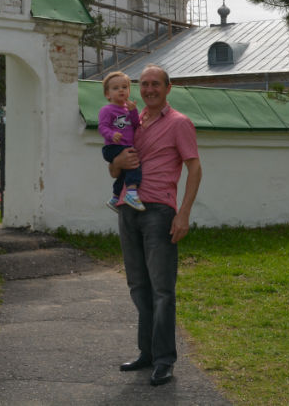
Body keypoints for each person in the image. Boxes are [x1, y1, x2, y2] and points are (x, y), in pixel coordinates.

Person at [108, 64, 201, 388]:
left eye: (155, 84)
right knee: (138, 285)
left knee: (162, 290)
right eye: (144, 84)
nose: (149, 89)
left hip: (159, 211)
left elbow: (195, 168)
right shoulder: (133, 121)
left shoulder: (179, 123)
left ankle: (164, 360)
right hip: (127, 209)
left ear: (168, 88)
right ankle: (146, 353)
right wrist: (116, 163)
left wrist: (183, 213)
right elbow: (115, 170)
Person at [98, 71, 145, 212]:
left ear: (129, 90)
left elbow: (136, 125)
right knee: (134, 163)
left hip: (124, 146)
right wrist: (112, 135)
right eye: (116, 88)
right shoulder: (107, 110)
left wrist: (133, 111)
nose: (121, 90)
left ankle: (115, 197)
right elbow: (102, 127)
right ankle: (131, 193)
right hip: (113, 147)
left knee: (124, 174)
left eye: (124, 87)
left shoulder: (128, 109)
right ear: (108, 94)